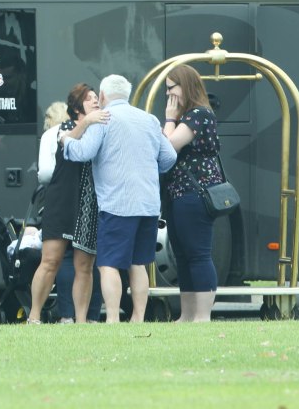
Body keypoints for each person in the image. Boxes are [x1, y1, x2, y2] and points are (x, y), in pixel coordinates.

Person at [62, 74, 177, 323]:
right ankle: (138, 317)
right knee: (139, 263)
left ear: (102, 96)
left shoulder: (103, 119)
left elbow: (83, 152)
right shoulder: (149, 120)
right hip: (147, 204)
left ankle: (113, 318)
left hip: (117, 204)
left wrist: (65, 141)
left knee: (108, 265)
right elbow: (169, 158)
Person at [28, 87, 107, 324]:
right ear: (76, 108)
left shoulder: (101, 129)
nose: (95, 102)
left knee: (84, 264)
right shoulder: (63, 129)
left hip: (88, 203)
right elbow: (68, 141)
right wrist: (87, 123)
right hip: (61, 201)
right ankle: (33, 316)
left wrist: (94, 122)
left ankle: (80, 321)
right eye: (89, 99)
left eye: (96, 99)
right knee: (50, 260)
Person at [161, 65, 222, 322]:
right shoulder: (190, 116)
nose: (168, 95)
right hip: (178, 193)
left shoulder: (199, 114)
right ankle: (187, 315)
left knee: (198, 253)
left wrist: (170, 118)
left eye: (171, 88)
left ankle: (203, 315)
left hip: (194, 193)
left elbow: (168, 146)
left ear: (185, 86)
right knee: (183, 255)